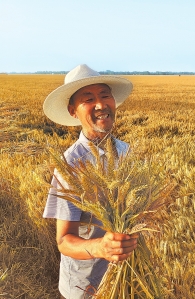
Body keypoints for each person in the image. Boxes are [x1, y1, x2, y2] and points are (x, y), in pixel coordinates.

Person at [42, 64, 138, 299]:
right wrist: (100, 248)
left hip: (128, 277)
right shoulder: (70, 166)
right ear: (73, 111)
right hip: (85, 286)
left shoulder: (127, 152)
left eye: (105, 96)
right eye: (88, 99)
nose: (100, 105)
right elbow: (64, 240)